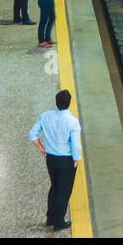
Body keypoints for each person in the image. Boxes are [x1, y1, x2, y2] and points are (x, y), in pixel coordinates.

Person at [28, 89, 82, 231]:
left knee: (54, 186)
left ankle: (50, 218)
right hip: (67, 161)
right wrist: (76, 159)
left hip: (51, 159)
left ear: (56, 102)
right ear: (69, 103)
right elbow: (75, 144)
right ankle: (59, 223)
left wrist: (42, 150)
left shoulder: (45, 116)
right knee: (63, 192)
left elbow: (32, 134)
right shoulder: (73, 122)